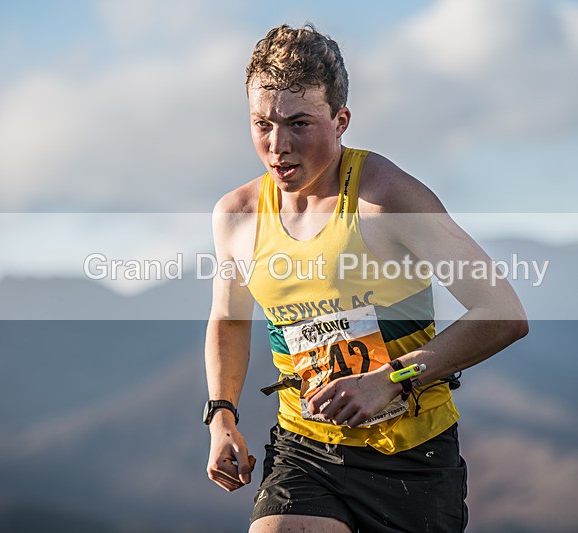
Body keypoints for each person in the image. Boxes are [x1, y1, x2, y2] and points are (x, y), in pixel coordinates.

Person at [204, 24, 528, 532]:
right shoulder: (238, 215)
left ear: (341, 120)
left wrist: (389, 380)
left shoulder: (387, 198)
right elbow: (228, 319)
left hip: (411, 459)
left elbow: (504, 313)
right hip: (304, 449)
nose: (277, 146)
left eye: (299, 124)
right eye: (262, 123)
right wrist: (222, 415)